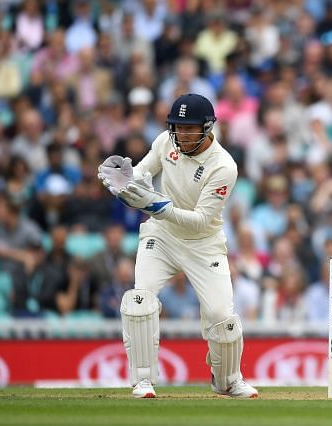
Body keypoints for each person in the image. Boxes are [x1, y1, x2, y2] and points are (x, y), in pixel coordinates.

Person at [97, 93, 258, 399]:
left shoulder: (224, 166)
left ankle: (227, 381)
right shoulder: (165, 142)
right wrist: (126, 182)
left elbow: (199, 220)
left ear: (207, 128)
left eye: (190, 128)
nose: (182, 134)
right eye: (177, 127)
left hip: (204, 244)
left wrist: (155, 204)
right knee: (139, 300)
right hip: (162, 236)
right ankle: (143, 381)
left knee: (221, 316)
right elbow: (142, 172)